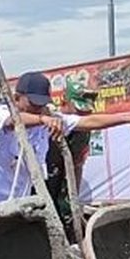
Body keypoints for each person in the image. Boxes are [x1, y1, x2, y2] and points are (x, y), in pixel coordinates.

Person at [0, 71, 130, 209]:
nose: (38, 109)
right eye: (33, 104)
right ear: (17, 98)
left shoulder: (48, 118)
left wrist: (128, 118)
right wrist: (42, 119)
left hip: (14, 206)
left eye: (41, 104)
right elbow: (14, 121)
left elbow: (88, 121)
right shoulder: (1, 114)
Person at [46, 79, 97, 235]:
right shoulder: (50, 121)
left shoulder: (84, 130)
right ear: (65, 101)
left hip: (66, 184)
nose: (82, 115)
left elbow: (78, 164)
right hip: (46, 179)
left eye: (85, 112)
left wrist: (74, 198)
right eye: (78, 110)